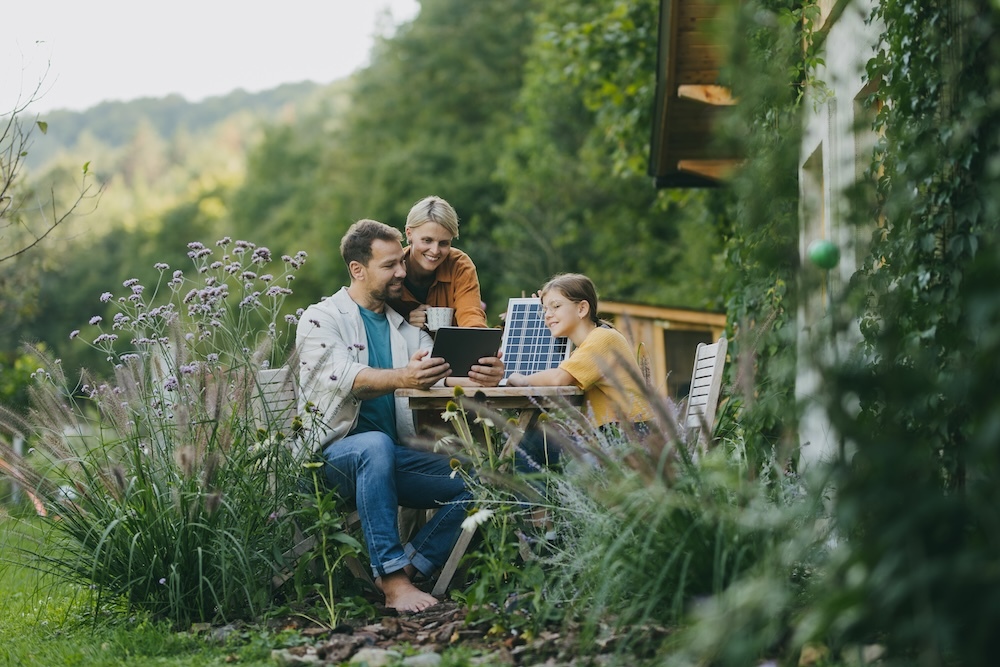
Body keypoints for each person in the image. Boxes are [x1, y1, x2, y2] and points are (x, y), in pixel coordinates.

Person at [296, 219, 504, 612]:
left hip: (390, 461)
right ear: (358, 270)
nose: (403, 273)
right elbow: (344, 377)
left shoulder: (401, 326)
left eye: (401, 264)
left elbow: (443, 370)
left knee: (481, 479)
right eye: (390, 265)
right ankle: (392, 583)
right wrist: (402, 376)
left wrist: (486, 372)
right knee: (374, 445)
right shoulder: (320, 319)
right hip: (327, 462)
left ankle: (409, 565)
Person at [507, 273, 654, 450]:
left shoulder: (602, 339)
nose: (547, 315)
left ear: (582, 309)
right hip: (611, 437)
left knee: (529, 443)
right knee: (535, 439)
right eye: (544, 310)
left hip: (627, 439)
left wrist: (522, 380)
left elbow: (558, 378)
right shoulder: (588, 344)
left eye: (556, 306)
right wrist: (540, 314)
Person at [387, 195, 489, 329]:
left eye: (443, 243)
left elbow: (471, 315)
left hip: (451, 349)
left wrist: (478, 339)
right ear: (409, 233)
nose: (435, 251)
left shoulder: (459, 265)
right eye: (427, 240)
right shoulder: (388, 268)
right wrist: (405, 325)